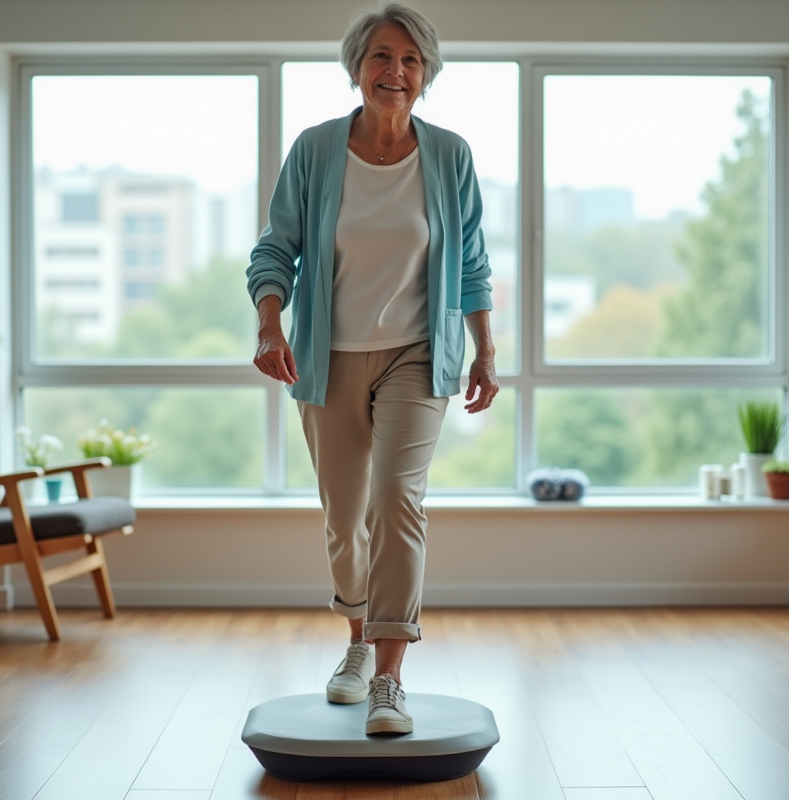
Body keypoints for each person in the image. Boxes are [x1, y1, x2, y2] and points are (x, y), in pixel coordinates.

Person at [246, 2, 497, 736]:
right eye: (383, 57)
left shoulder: (449, 155)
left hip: (419, 356)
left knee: (397, 497)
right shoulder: (317, 150)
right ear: (357, 67)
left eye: (412, 60)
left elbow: (473, 263)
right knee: (344, 519)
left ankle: (389, 676)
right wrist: (269, 322)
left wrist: (485, 349)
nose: (397, 72)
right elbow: (275, 248)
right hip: (327, 357)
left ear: (427, 74)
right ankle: (354, 642)